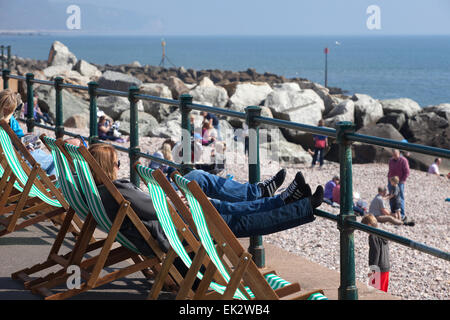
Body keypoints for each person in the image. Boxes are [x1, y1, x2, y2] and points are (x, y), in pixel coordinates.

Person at [89, 143, 324, 257]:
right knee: (231, 216)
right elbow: (156, 209)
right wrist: (180, 200)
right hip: (173, 227)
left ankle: (272, 196)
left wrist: (176, 198)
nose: (120, 166)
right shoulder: (116, 190)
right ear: (108, 167)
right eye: (117, 163)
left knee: (196, 177)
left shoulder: (100, 190)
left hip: (169, 217)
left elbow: (150, 207)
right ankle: (297, 205)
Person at [361, 214, 390, 293]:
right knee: (383, 292)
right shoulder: (382, 234)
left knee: (374, 292)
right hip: (386, 267)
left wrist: (372, 270)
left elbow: (375, 253)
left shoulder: (372, 236)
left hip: (378, 269)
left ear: (369, 225)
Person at [387, 149, 410, 222]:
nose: (394, 156)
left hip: (399, 182)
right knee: (391, 197)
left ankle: (402, 215)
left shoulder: (403, 160)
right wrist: (389, 179)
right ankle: (394, 214)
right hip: (391, 181)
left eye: (395, 154)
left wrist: (402, 181)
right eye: (393, 154)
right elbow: (390, 170)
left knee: (400, 198)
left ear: (399, 153)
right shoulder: (391, 160)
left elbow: (407, 172)